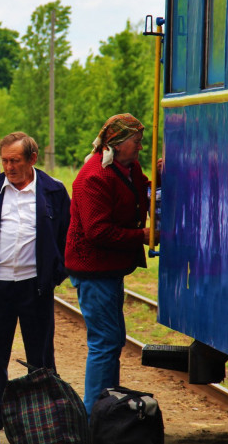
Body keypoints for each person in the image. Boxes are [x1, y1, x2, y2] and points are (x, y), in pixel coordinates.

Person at [0, 131, 70, 431]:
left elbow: (67, 233)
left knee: (41, 355)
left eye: (15, 161)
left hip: (35, 286)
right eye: (5, 160)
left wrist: (55, 272)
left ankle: (47, 414)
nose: (9, 167)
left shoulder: (53, 191)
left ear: (32, 159)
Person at [64, 113, 159, 416]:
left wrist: (161, 175)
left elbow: (140, 187)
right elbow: (97, 231)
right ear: (117, 144)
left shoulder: (126, 167)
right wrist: (141, 235)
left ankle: (106, 407)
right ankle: (95, 417)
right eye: (136, 142)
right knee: (105, 342)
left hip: (108, 269)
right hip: (93, 270)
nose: (141, 147)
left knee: (112, 339)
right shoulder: (95, 176)